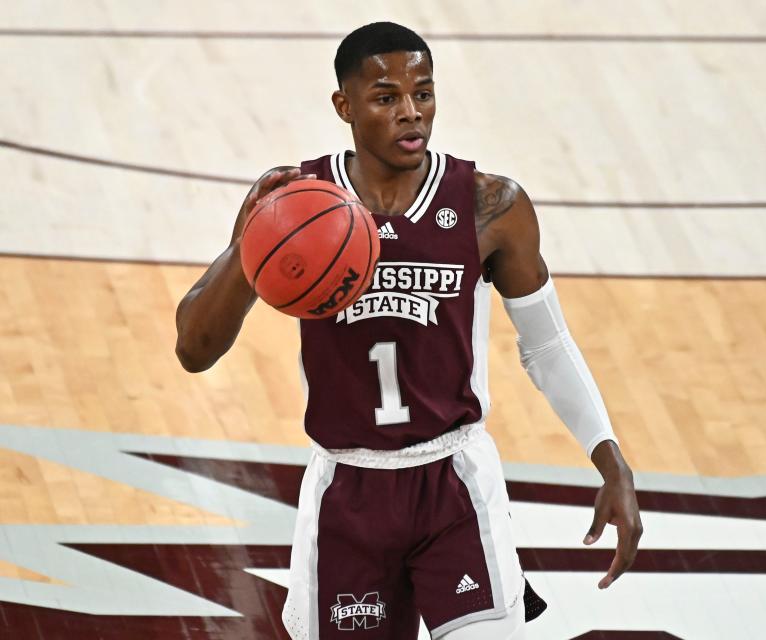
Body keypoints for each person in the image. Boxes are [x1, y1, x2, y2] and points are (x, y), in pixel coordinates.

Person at [175, 21, 642, 640]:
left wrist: (611, 461)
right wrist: (249, 243)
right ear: (344, 105)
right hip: (347, 486)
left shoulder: (489, 205)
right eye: (387, 97)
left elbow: (547, 344)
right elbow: (194, 350)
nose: (410, 113)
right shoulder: (296, 203)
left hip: (453, 480)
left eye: (423, 94)